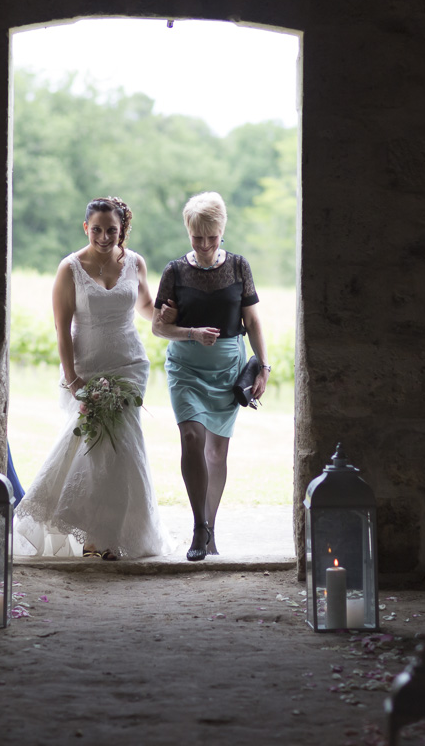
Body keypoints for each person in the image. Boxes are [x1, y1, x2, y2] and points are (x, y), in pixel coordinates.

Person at [14, 197, 170, 560]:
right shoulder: (70, 268)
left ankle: (112, 537)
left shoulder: (135, 263)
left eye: (111, 230)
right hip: (87, 368)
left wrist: (171, 315)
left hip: (129, 364)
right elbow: (62, 328)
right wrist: (73, 380)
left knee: (124, 449)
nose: (103, 237)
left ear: (122, 229)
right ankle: (90, 534)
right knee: (89, 447)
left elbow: (146, 307)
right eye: (96, 229)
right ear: (86, 227)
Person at [152, 191, 270, 562]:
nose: (204, 245)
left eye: (212, 237)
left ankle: (212, 527)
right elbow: (158, 327)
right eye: (196, 237)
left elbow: (252, 321)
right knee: (191, 436)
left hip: (228, 369)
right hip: (186, 368)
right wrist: (190, 333)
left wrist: (263, 367)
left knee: (217, 452)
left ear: (223, 230)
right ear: (187, 231)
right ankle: (198, 527)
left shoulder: (239, 267)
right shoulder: (174, 272)